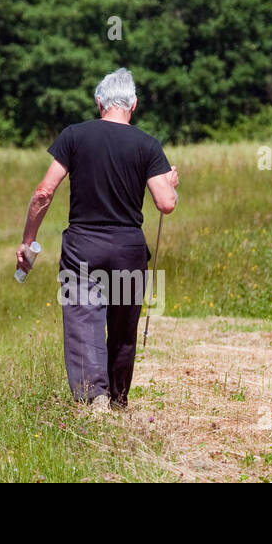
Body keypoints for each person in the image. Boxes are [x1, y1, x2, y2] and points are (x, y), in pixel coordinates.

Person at [16, 68, 178, 413]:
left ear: (98, 101)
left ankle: (94, 397)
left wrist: (29, 239)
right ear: (132, 105)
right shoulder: (148, 144)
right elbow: (165, 204)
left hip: (83, 246)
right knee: (122, 325)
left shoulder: (74, 136)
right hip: (128, 248)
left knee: (83, 320)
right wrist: (171, 183)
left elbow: (44, 192)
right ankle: (117, 399)